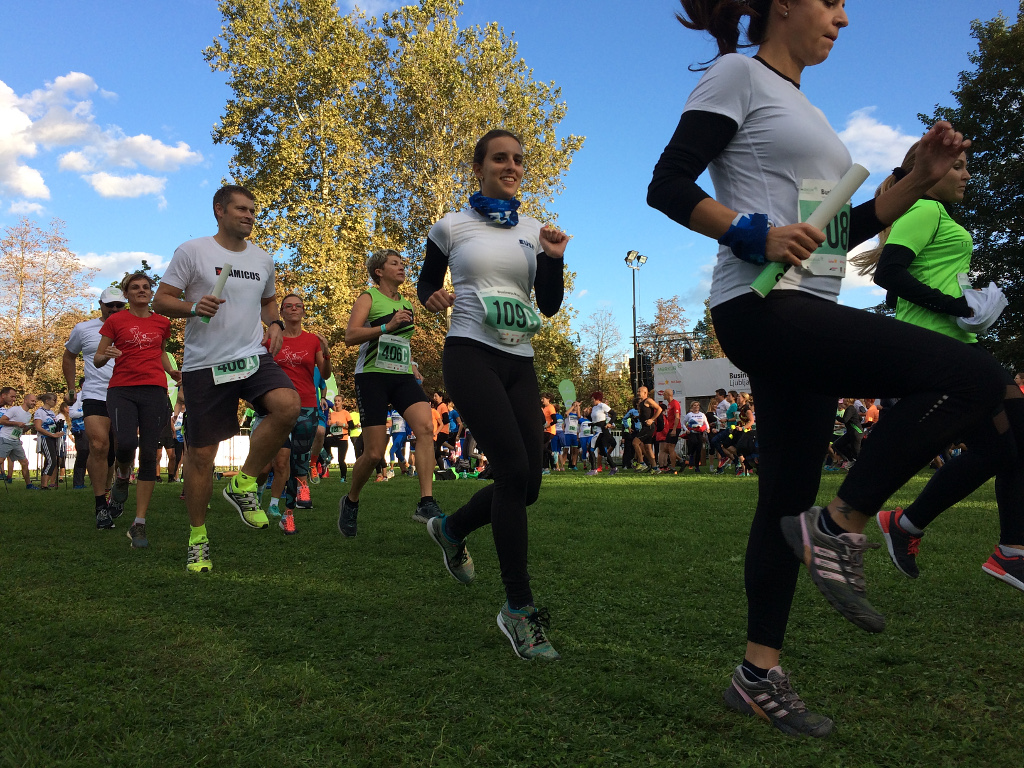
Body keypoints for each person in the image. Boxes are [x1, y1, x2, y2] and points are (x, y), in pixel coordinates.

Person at [647, 0, 1011, 737]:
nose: (844, 18)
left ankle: (758, 675)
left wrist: (918, 175)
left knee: (783, 503)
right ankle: (845, 523)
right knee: (976, 376)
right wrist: (750, 231)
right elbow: (668, 182)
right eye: (833, 1)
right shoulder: (737, 75)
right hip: (763, 309)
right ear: (784, 3)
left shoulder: (800, 106)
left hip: (803, 305)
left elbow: (835, 233)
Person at [418, 128, 568, 660]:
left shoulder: (533, 230)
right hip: (470, 353)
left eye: (518, 160)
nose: (511, 166)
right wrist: (433, 296)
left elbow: (547, 306)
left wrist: (552, 258)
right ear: (478, 167)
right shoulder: (451, 226)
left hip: (519, 361)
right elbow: (425, 284)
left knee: (527, 485)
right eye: (499, 158)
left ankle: (452, 527)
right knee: (510, 471)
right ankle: (518, 610)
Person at [849, 148, 1024, 588]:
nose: (967, 175)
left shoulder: (934, 215)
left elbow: (901, 286)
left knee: (1005, 450)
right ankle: (1010, 551)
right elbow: (888, 273)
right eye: (958, 166)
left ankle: (908, 525)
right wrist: (957, 305)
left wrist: (965, 304)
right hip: (938, 349)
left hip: (954, 345)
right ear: (927, 173)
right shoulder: (924, 208)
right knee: (1012, 440)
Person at [153, 184, 300, 573]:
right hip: (206, 365)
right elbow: (161, 300)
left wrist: (274, 323)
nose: (250, 215)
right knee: (202, 456)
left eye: (253, 210)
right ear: (219, 211)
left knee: (289, 406)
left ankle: (244, 482)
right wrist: (192, 306)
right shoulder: (194, 251)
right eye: (241, 209)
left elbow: (269, 300)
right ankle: (198, 539)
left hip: (251, 355)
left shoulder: (263, 258)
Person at [337, 249, 443, 537]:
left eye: (402, 264)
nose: (401, 267)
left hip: (401, 376)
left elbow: (399, 342)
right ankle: (351, 501)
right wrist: (386, 325)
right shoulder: (368, 298)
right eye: (394, 263)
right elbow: (350, 336)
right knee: (373, 453)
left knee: (425, 427)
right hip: (371, 377)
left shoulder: (407, 302)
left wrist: (412, 364)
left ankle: (426, 501)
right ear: (379, 271)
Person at [95, 272, 179, 548]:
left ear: (151, 292)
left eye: (146, 287)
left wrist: (172, 372)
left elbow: (160, 352)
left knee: (148, 455)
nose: (141, 291)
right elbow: (97, 358)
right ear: (127, 294)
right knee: (126, 443)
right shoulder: (116, 320)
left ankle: (138, 524)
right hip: (122, 390)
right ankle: (121, 477)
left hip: (155, 390)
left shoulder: (162, 322)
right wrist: (105, 355)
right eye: (135, 288)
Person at [259, 292, 331, 533]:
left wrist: (327, 350)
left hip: (307, 407)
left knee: (299, 464)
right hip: (278, 408)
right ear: (281, 313)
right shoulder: (269, 339)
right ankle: (269, 501)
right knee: (281, 460)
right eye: (287, 306)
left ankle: (288, 514)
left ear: (303, 311)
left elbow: (326, 374)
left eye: (297, 306)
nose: (293, 309)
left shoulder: (312, 340)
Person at [63, 286, 125, 527]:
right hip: (95, 394)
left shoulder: (132, 327)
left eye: (119, 305)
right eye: (110, 305)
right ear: (100, 304)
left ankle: (116, 487)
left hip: (125, 393)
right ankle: (101, 505)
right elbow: (69, 355)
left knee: (122, 450)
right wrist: (70, 388)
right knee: (98, 445)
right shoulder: (84, 328)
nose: (114, 309)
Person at [0, 391, 39, 489]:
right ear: (25, 400)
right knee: (1, 460)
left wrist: (30, 426)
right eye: (32, 401)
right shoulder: (15, 409)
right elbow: (2, 420)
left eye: (35, 401)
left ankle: (29, 485)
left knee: (25, 462)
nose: (34, 403)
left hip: (16, 440)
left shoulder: (29, 415)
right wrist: (16, 423)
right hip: (5, 438)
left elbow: (22, 430)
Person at [33, 393, 63, 489]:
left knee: (51, 460)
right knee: (51, 461)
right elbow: (38, 427)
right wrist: (52, 434)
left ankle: (44, 483)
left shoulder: (52, 412)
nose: (55, 402)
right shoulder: (39, 412)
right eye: (54, 400)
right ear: (47, 401)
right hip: (45, 438)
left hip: (52, 438)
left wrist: (57, 432)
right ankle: (44, 484)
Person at [631, 386, 662, 473]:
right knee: (648, 448)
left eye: (639, 391)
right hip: (644, 426)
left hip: (649, 427)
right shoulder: (641, 403)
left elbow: (659, 409)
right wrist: (638, 417)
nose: (637, 393)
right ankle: (655, 468)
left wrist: (652, 419)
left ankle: (642, 463)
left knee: (635, 442)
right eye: (637, 391)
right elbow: (645, 413)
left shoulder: (648, 400)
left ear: (645, 393)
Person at [324, 396, 353, 482]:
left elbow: (352, 426)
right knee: (324, 441)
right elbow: (329, 428)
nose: (336, 403)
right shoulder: (332, 414)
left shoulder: (345, 413)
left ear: (342, 402)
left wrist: (342, 425)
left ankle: (343, 477)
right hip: (334, 437)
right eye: (335, 401)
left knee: (341, 460)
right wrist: (329, 424)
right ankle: (329, 455)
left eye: (338, 401)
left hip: (343, 439)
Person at [68, 380, 88, 489]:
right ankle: (78, 482)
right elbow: (72, 413)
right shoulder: (77, 397)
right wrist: (86, 412)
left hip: (92, 428)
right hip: (80, 429)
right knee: (83, 453)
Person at [658, 390, 682, 471]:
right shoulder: (669, 404)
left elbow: (677, 417)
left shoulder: (675, 403)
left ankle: (673, 467)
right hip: (670, 428)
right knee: (665, 448)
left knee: (671, 448)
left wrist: (674, 429)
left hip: (675, 428)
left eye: (664, 394)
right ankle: (680, 460)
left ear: (668, 395)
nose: (663, 396)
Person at [683, 399, 710, 472]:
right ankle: (691, 454)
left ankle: (697, 466)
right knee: (693, 442)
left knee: (699, 449)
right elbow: (683, 423)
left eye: (697, 405)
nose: (696, 407)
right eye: (694, 405)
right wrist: (686, 429)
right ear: (692, 407)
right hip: (692, 432)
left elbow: (706, 423)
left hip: (699, 433)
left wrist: (707, 429)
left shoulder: (702, 414)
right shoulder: (689, 415)